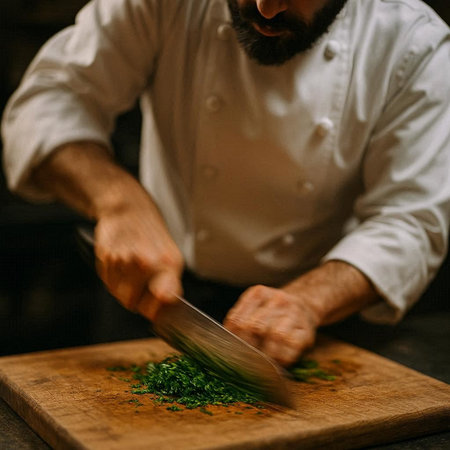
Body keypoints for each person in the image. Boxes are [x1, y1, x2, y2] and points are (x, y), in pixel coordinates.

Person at [2, 0, 449, 367]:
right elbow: (49, 102)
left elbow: (411, 217)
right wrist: (117, 200)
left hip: (324, 328)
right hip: (164, 302)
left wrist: (310, 300)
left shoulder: (414, 43)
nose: (265, 7)